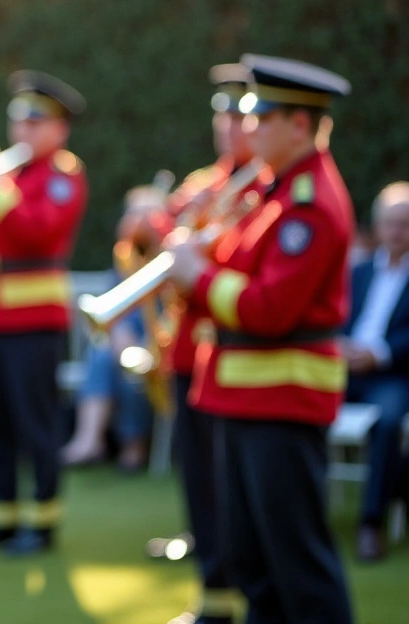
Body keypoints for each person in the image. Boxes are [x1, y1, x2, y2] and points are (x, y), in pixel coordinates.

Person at [169, 54, 353, 624]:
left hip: (283, 400)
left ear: (300, 124)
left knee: (298, 567)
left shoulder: (308, 204)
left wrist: (196, 273)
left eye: (261, 116)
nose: (246, 129)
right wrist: (197, 250)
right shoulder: (274, 194)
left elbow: (269, 309)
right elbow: (235, 274)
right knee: (254, 568)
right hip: (245, 396)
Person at [0, 71, 88, 556]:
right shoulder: (6, 177)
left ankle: (43, 524)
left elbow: (39, 232)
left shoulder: (64, 176)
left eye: (35, 122)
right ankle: (0, 518)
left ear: (58, 130)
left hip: (35, 319)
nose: (22, 131)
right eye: (17, 120)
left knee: (36, 422)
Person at [155, 63, 264, 624]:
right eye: (221, 116)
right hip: (186, 353)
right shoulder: (205, 184)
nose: (228, 127)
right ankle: (213, 601)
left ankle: (240, 599)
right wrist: (151, 225)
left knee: (231, 491)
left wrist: (194, 253)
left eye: (240, 116)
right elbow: (163, 235)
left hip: (227, 352)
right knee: (199, 482)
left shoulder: (262, 188)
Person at [62, 187, 165, 473]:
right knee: (104, 354)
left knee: (134, 365)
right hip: (126, 341)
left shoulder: (170, 256)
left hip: (160, 341)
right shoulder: (125, 258)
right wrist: (120, 334)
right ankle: (89, 440)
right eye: (133, 214)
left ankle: (134, 445)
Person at [341, 181, 409, 562]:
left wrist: (378, 353)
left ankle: (371, 524)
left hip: (393, 375)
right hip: (346, 370)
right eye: (390, 223)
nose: (396, 231)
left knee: (386, 423)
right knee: (301, 404)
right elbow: (336, 318)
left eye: (404, 223)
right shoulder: (358, 272)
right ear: (378, 225)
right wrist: (340, 347)